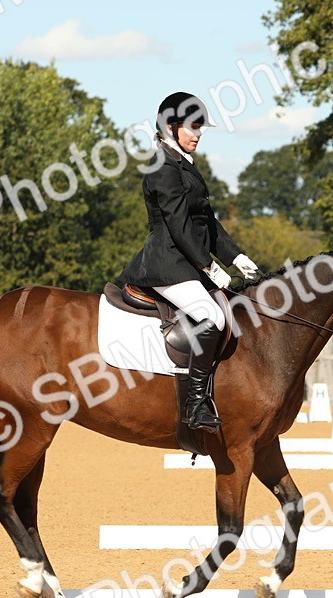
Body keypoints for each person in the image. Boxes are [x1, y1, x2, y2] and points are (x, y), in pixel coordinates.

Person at [119, 91, 260, 431]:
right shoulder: (162, 166)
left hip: (186, 262)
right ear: (170, 127)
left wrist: (235, 255)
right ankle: (195, 404)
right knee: (210, 316)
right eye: (193, 127)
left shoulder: (184, 164)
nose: (198, 134)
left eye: (201, 128)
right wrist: (208, 265)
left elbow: (205, 220)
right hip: (167, 263)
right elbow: (179, 224)